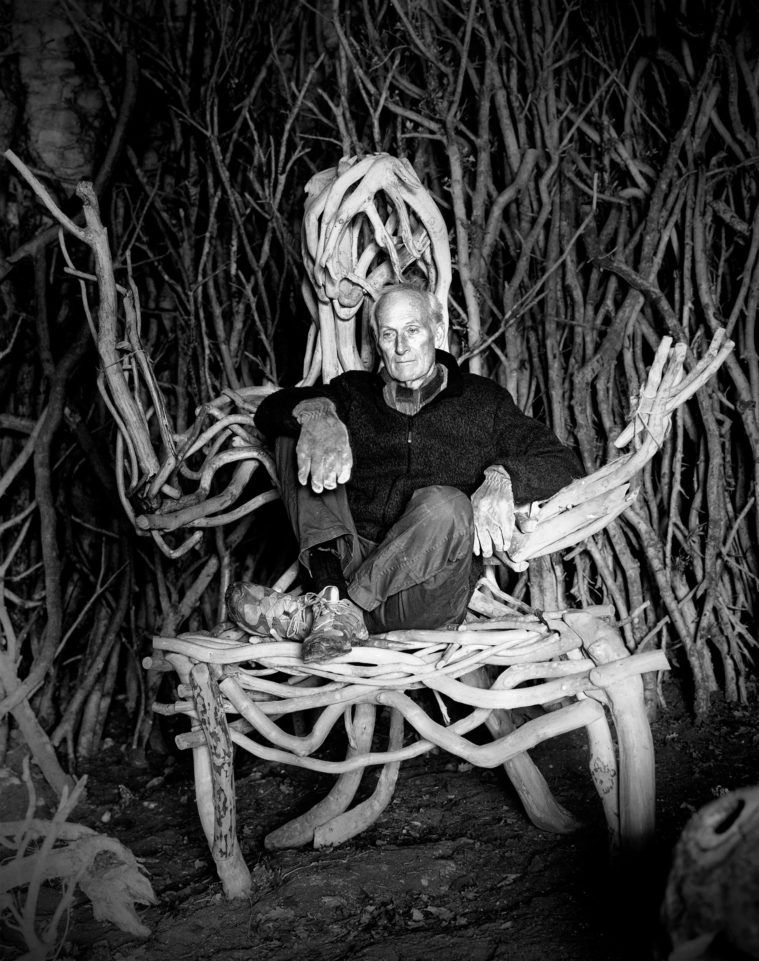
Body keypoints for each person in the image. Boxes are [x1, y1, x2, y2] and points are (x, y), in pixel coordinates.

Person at [227, 284, 582, 663]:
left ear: (438, 332)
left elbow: (563, 462)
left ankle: (328, 613)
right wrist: (319, 416)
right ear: (377, 342)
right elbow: (272, 410)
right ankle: (335, 607)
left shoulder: (483, 402)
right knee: (298, 430)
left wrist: (503, 478)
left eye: (412, 330)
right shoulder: (353, 393)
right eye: (388, 333)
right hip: (349, 560)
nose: (401, 346)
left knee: (447, 504)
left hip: (426, 590)